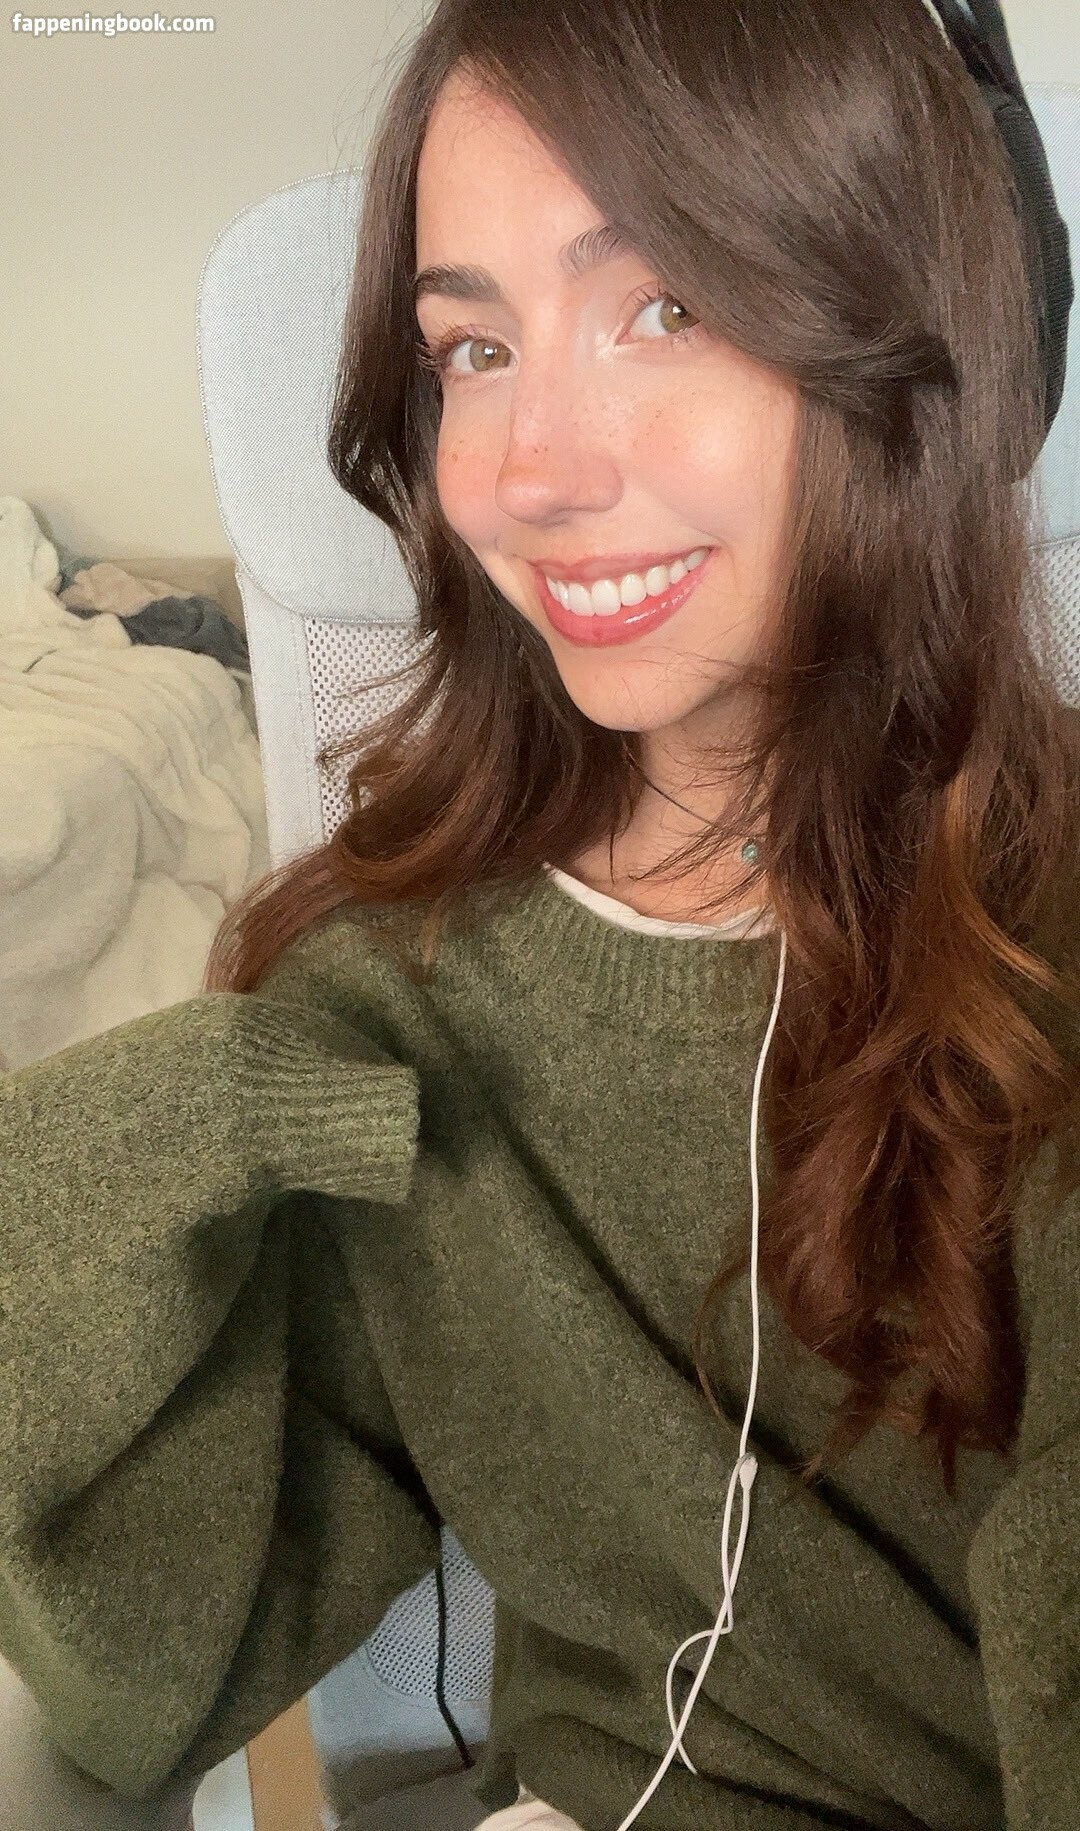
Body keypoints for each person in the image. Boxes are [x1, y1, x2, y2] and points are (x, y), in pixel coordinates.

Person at [3, 0, 1079, 1827]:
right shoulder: (385, 1000)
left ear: (934, 341)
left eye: (669, 307)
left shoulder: (1049, 953)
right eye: (474, 349)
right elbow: (147, 1671)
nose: (526, 472)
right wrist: (95, 1176)